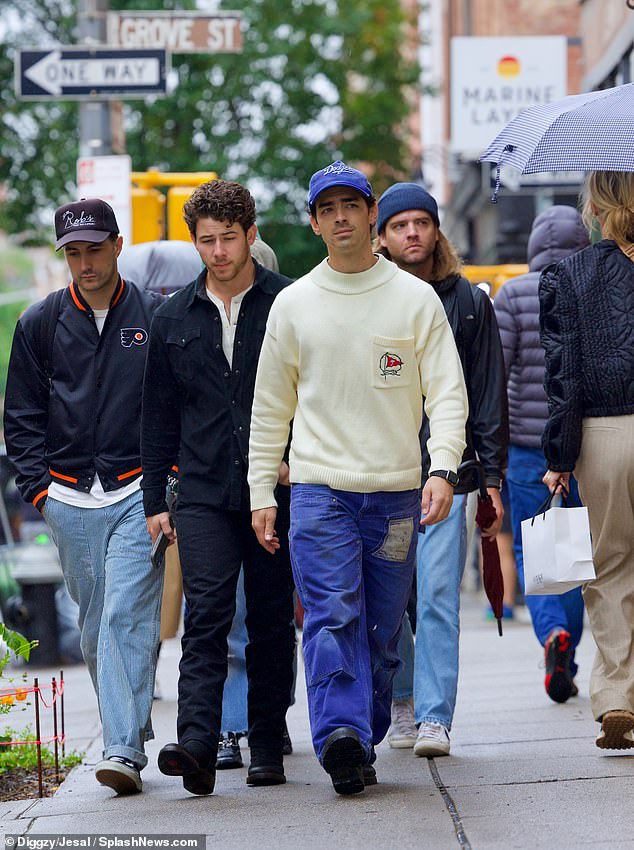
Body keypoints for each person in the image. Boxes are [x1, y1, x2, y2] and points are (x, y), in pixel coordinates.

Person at [247, 160, 468, 795]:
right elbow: (270, 408)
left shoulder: (413, 298)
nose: (342, 217)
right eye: (329, 208)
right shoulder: (294, 305)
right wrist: (263, 491)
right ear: (315, 223)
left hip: (397, 495)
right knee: (331, 612)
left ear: (372, 215)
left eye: (353, 205)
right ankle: (338, 734)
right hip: (319, 492)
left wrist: (444, 466)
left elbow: (447, 394)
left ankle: (361, 734)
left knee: (380, 627)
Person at [3, 198, 165, 795]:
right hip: (68, 498)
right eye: (73, 252)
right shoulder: (40, 322)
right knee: (96, 627)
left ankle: (120, 749)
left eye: (94, 248)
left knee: (125, 613)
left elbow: (176, 404)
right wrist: (39, 489)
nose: (85, 262)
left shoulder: (156, 315)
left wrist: (165, 480)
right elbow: (20, 414)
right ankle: (134, 722)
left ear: (118, 245)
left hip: (137, 492)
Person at [141, 179, 295, 796]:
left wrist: (295, 458)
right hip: (201, 490)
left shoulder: (287, 305)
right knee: (206, 614)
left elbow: (310, 394)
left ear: (251, 235)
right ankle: (198, 744)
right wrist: (156, 501)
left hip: (273, 488)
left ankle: (266, 744)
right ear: (195, 241)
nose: (219, 252)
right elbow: (157, 416)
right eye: (207, 241)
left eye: (229, 238)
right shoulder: (172, 316)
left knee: (270, 618)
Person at [375, 182, 507, 757]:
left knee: (435, 594)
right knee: (391, 596)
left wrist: (491, 480)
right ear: (382, 237)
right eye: (399, 225)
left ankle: (434, 716)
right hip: (382, 474)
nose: (412, 234)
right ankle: (402, 698)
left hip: (450, 475)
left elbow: (487, 393)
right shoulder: (369, 300)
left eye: (420, 223)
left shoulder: (469, 302)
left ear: (436, 230)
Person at [540, 171, 634, 750]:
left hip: (604, 435)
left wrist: (560, 454)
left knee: (611, 567)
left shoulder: (569, 276)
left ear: (595, 204)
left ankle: (620, 696)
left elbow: (564, 377)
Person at [494, 205, 589, 703]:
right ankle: (568, 655)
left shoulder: (511, 294)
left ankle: (553, 636)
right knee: (574, 554)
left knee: (537, 552)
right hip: (583, 444)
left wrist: (495, 447)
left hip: (529, 448)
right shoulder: (591, 286)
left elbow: (498, 371)